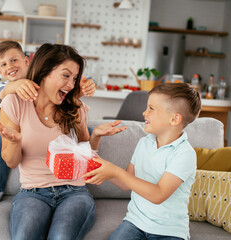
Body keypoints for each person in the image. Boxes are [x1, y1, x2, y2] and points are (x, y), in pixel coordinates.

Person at [0, 43, 127, 239]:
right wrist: (14, 142)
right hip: (33, 192)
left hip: (74, 192)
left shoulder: (75, 107)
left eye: (74, 78)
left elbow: (86, 160)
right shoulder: (14, 103)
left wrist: (95, 136)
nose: (72, 84)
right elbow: (12, 162)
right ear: (45, 71)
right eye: (66, 76)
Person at [0, 40, 96, 210]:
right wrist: (15, 85)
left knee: (85, 131)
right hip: (12, 131)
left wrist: (80, 90)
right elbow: (4, 92)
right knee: (2, 140)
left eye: (14, 60)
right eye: (4, 64)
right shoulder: (8, 89)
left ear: (26, 61)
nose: (10, 66)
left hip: (67, 177)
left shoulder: (43, 82)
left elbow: (64, 98)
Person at [84, 83, 202, 240]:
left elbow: (158, 194)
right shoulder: (144, 143)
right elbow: (126, 183)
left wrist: (114, 170)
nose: (144, 112)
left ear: (174, 119)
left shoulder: (184, 154)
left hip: (169, 231)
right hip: (135, 223)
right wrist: (100, 159)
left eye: (151, 108)